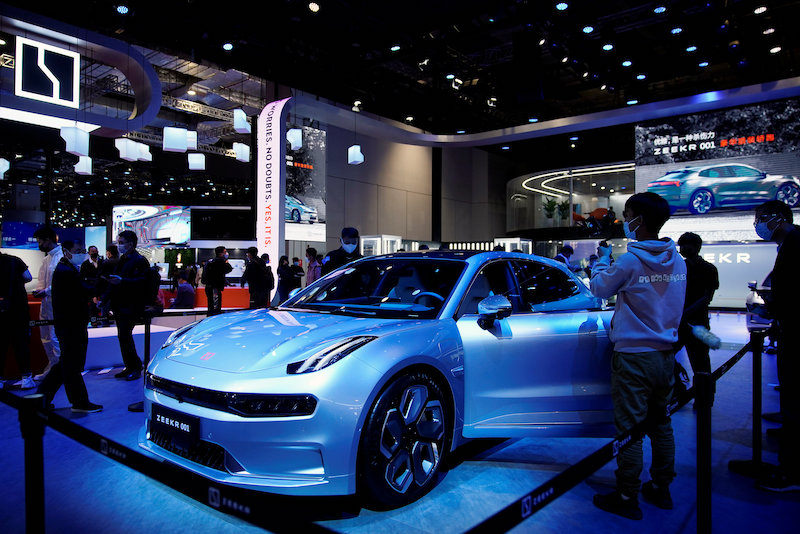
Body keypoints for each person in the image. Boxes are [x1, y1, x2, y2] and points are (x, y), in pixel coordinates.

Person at [589, 192, 687, 520]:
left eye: (627, 214)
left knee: (630, 428)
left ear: (639, 220)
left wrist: (602, 257)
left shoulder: (630, 261)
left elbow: (599, 288)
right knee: (661, 424)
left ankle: (627, 494)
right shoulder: (677, 260)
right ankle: (661, 488)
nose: (623, 220)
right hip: (665, 355)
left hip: (634, 357)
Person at [752, 200, 800, 491]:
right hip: (789, 331)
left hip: (796, 335)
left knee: (796, 401)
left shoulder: (796, 243)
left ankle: (791, 472)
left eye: (760, 218)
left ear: (777, 218)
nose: (756, 225)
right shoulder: (789, 244)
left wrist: (774, 309)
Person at [36, 240, 102, 413]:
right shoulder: (65, 271)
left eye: (82, 250)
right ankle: (79, 402)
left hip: (70, 323)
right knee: (72, 365)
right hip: (70, 324)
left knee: (66, 363)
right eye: (78, 250)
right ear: (66, 251)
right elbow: (83, 290)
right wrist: (103, 284)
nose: (82, 253)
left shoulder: (67, 268)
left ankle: (41, 397)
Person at [107, 230, 150, 381]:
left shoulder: (139, 260)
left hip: (131, 305)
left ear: (130, 244)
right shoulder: (123, 259)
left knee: (125, 336)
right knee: (123, 337)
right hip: (120, 304)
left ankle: (135, 367)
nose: (119, 245)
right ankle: (130, 366)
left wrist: (123, 281)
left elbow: (143, 282)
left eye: (121, 242)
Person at [675, 232, 719, 377]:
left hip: (698, 324)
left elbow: (707, 297)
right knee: (665, 358)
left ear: (697, 247)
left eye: (687, 245)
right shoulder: (678, 268)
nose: (684, 248)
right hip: (678, 323)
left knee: (701, 366)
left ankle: (704, 399)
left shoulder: (709, 269)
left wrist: (684, 313)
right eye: (682, 245)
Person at [0, 222, 35, 390]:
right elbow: (28, 277)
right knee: (21, 345)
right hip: (18, 310)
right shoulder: (14, 261)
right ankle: (27, 378)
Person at [31, 226, 63, 380]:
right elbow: (41, 281)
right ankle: (52, 368)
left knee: (55, 337)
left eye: (40, 242)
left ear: (48, 240)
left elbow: (61, 283)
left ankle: (59, 371)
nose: (39, 245)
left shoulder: (62, 256)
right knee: (46, 337)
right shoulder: (46, 259)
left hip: (58, 304)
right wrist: (39, 291)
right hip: (46, 304)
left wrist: (46, 291)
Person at [203, 246, 232, 316]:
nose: (226, 253)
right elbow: (229, 269)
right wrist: (226, 261)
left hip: (211, 286)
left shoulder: (211, 261)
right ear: (220, 253)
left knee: (211, 305)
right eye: (225, 252)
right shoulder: (220, 261)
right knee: (215, 307)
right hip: (215, 287)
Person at [95, 244, 119, 325]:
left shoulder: (106, 263)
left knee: (104, 314)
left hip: (106, 291)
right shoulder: (121, 262)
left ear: (108, 253)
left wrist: (96, 293)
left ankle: (104, 326)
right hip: (118, 292)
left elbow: (100, 278)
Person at [80, 245, 103, 321]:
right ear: (89, 253)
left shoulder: (102, 262)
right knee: (92, 307)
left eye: (95, 251)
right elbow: (83, 278)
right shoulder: (85, 264)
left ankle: (103, 320)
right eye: (92, 251)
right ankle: (94, 321)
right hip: (90, 290)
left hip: (101, 289)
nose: (94, 253)